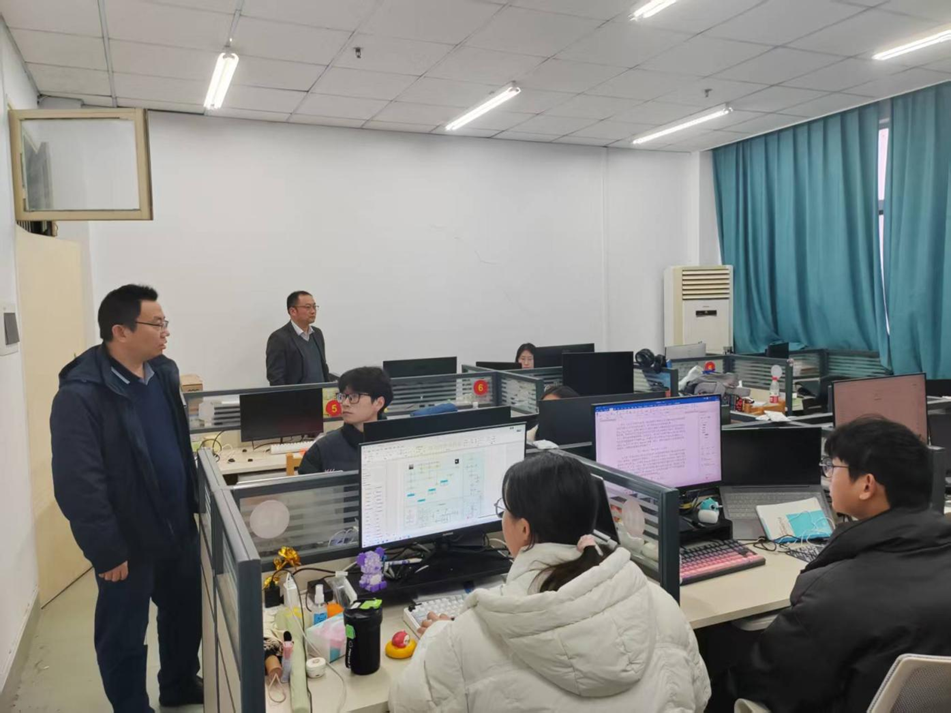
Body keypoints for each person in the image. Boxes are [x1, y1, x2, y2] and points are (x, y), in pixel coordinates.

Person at [389, 452, 711, 712]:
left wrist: (437, 637)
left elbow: (408, 705)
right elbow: (699, 698)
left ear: (524, 529)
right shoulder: (659, 602)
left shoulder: (468, 636)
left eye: (505, 510)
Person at [731, 416, 951, 713]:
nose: (828, 476)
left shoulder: (834, 595)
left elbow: (767, 684)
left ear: (867, 485)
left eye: (833, 467)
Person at [50, 285, 202, 713]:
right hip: (127, 540)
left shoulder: (163, 373)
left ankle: (178, 684)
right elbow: (78, 482)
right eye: (157, 323)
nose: (165, 331)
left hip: (176, 528)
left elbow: (175, 442)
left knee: (185, 613)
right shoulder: (81, 394)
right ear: (120, 331)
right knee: (123, 635)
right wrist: (105, 549)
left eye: (165, 322)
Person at [298, 366, 393, 474]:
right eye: (343, 396)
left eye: (354, 396)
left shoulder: (398, 443)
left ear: (378, 403)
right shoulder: (322, 449)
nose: (345, 403)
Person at [266, 291, 329, 385]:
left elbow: (323, 368)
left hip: (320, 393)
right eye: (308, 307)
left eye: (314, 306)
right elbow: (276, 378)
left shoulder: (317, 334)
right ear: (293, 311)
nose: (313, 311)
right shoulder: (279, 338)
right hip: (295, 394)